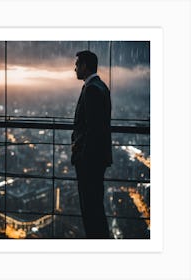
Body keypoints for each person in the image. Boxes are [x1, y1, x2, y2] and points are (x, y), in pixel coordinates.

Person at [71, 50, 112, 238]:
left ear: (85, 66)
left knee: (90, 209)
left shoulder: (92, 89)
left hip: (89, 161)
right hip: (97, 159)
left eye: (77, 64)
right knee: (96, 206)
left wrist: (81, 155)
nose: (75, 68)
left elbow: (93, 129)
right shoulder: (101, 86)